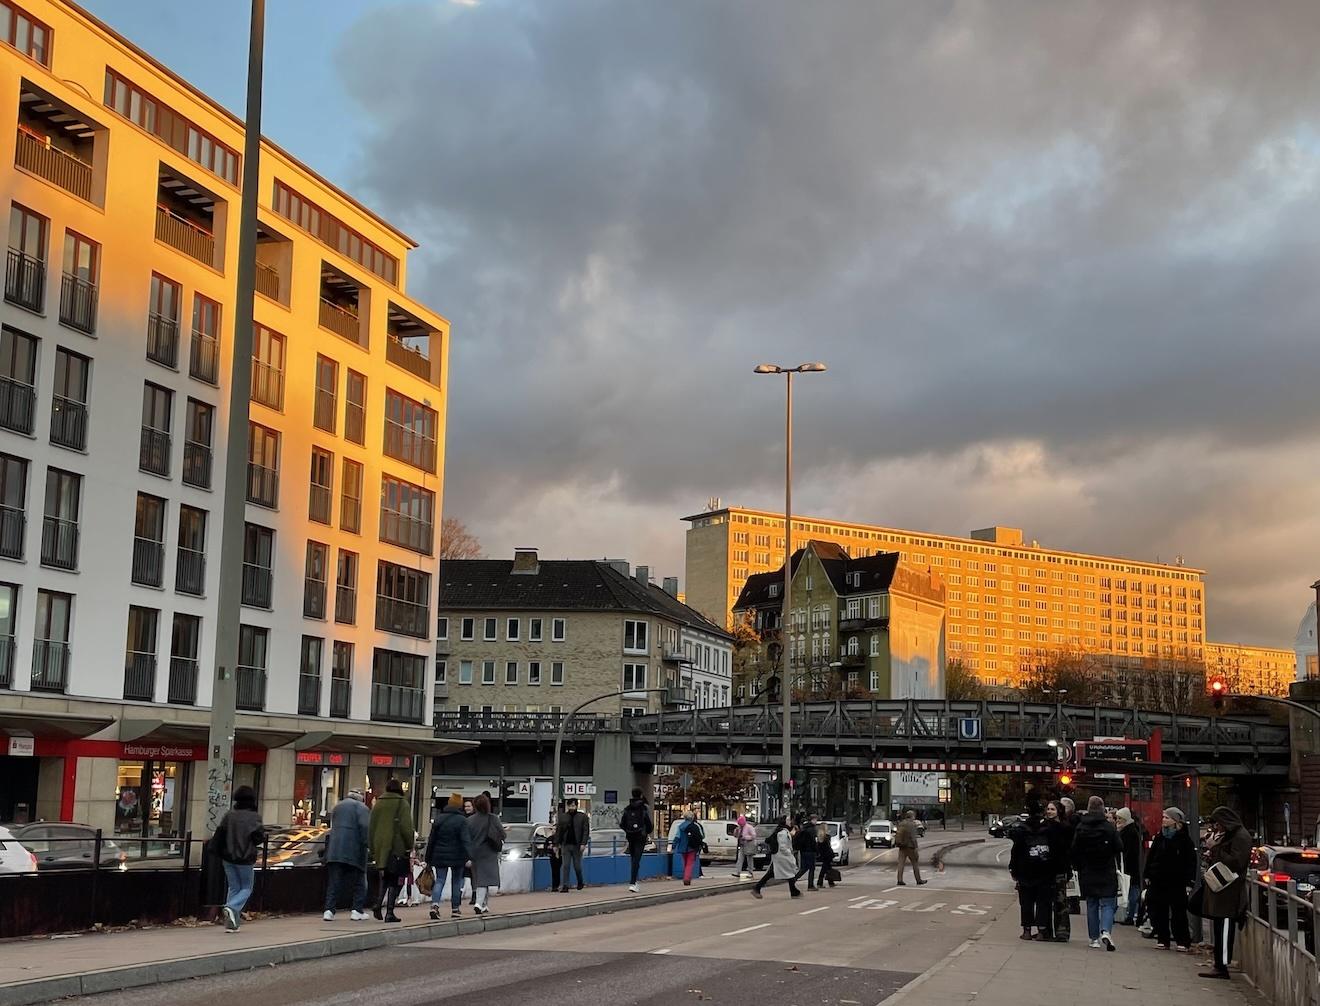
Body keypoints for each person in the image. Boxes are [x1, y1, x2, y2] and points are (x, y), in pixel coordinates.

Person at [1199, 805, 1251, 980]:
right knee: (1220, 928)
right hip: (1223, 890)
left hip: (1230, 892)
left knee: (1225, 929)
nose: (1217, 827)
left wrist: (1215, 848)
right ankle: (1219, 964)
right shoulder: (1231, 835)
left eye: (1218, 823)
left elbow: (1236, 862)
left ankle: (1222, 966)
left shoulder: (1241, 837)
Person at [1071, 795, 1122, 951]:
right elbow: (1119, 847)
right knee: (1108, 903)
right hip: (1106, 870)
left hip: (1088, 870)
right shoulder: (1109, 828)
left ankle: (1093, 939)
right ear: (1102, 808)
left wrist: (1078, 866)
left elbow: (1074, 849)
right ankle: (1106, 930)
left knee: (1092, 904)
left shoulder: (1081, 827)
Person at [210, 785, 264, 933]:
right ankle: (231, 907)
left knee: (233, 887)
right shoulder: (254, 817)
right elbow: (258, 839)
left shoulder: (229, 816)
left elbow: (220, 835)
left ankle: (232, 922)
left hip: (228, 857)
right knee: (247, 888)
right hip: (245, 858)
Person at [1144, 806, 1196, 951]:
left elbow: (1190, 862)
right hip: (1158, 879)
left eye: (1167, 817)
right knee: (1159, 910)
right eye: (1164, 817)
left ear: (1175, 821)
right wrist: (1147, 874)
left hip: (1177, 881)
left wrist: (1189, 882)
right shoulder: (1160, 837)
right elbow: (1151, 856)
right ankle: (1162, 938)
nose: (1163, 820)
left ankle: (1182, 940)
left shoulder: (1184, 840)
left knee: (1178, 912)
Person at [368, 777, 414, 923]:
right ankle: (389, 912)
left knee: (385, 878)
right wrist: (410, 845)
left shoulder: (378, 803)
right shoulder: (402, 803)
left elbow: (371, 828)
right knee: (394, 880)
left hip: (381, 848)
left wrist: (373, 848)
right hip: (396, 847)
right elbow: (406, 828)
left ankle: (378, 904)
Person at [1009, 801, 1056, 940]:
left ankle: (1027, 930)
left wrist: (1013, 869)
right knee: (1043, 902)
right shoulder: (1049, 829)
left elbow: (1015, 851)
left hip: (1025, 871)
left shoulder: (1022, 829)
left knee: (1026, 902)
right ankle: (1042, 931)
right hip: (1044, 870)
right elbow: (1055, 850)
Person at [322, 788, 370, 922]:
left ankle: (329, 910)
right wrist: (368, 845)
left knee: (334, 882)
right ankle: (357, 910)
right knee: (359, 881)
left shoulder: (338, 806)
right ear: (361, 797)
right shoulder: (362, 808)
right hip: (354, 850)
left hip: (335, 849)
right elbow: (365, 828)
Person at [424, 792, 472, 919]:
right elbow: (465, 840)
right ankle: (455, 909)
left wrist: (428, 858)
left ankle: (434, 905)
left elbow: (432, 840)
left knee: (440, 880)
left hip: (439, 855)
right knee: (456, 882)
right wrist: (469, 856)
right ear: (460, 805)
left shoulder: (439, 819)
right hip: (457, 856)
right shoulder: (462, 820)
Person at [465, 792, 505, 915]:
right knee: (484, 880)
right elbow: (503, 834)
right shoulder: (493, 818)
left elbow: (466, 838)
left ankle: (484, 904)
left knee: (480, 878)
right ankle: (478, 903)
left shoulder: (469, 820)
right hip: (490, 852)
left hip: (475, 853)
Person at [751, 816, 801, 898]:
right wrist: (789, 853)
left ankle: (794, 891)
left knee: (782, 872)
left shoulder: (782, 831)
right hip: (782, 856)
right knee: (789, 872)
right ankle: (794, 892)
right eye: (788, 820)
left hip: (779, 856)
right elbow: (783, 846)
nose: (790, 822)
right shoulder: (782, 832)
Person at [1049, 799, 1075, 942]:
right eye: (1048, 809)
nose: (1049, 812)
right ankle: (1046, 930)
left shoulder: (1065, 828)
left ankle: (1062, 932)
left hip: (1060, 869)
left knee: (1060, 901)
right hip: (1047, 869)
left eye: (1052, 809)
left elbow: (1069, 849)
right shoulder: (1045, 826)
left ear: (1059, 811)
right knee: (1048, 901)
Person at [620, 788, 653, 893]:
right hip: (641, 836)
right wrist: (647, 831)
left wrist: (628, 830)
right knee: (637, 859)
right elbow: (649, 823)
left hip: (631, 835)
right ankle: (633, 882)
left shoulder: (627, 808)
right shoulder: (644, 808)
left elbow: (622, 823)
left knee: (633, 858)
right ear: (641, 795)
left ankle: (634, 881)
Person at [1115, 807, 1142, 925]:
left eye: (1119, 818)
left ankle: (1130, 915)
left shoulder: (1129, 832)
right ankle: (1130, 914)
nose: (1117, 821)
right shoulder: (1128, 830)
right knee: (1130, 890)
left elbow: (1129, 851)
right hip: (1129, 867)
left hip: (1128, 867)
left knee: (1131, 891)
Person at [556, 797, 589, 892]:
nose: (572, 807)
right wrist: (557, 844)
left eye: (573, 806)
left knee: (577, 866)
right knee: (566, 866)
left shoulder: (582, 817)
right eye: (570, 805)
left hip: (577, 845)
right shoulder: (563, 817)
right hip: (565, 844)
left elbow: (585, 831)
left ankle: (580, 881)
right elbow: (559, 831)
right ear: (567, 806)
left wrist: (583, 843)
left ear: (576, 806)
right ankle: (565, 885)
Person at [895, 810, 927, 886]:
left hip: (902, 846)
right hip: (910, 847)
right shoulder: (912, 824)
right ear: (912, 816)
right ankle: (918, 880)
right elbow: (913, 837)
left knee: (901, 864)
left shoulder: (901, 823)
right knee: (915, 863)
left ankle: (899, 880)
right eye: (914, 816)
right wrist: (916, 847)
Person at [672, 810, 704, 886]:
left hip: (682, 847)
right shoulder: (695, 826)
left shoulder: (680, 826)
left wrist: (673, 845)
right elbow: (702, 836)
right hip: (692, 847)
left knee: (685, 863)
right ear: (692, 817)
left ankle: (686, 876)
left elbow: (677, 837)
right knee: (689, 863)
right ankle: (686, 879)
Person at [791, 814, 817, 891]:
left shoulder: (804, 828)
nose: (816, 821)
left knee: (804, 868)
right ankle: (810, 885)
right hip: (810, 851)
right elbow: (813, 842)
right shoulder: (812, 829)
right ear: (812, 820)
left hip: (803, 850)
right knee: (811, 868)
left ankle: (794, 880)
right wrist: (816, 850)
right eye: (815, 820)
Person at [814, 822, 837, 889]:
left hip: (823, 855)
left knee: (828, 868)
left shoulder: (819, 837)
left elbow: (819, 847)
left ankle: (831, 882)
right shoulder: (827, 837)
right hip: (828, 855)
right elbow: (828, 847)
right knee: (824, 869)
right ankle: (820, 883)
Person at [546, 805, 563, 891]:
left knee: (558, 870)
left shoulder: (561, 838)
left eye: (555, 829)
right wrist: (549, 851)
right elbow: (546, 847)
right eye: (553, 829)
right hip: (552, 856)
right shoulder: (549, 838)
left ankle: (558, 885)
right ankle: (554, 886)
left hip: (559, 856)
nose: (553, 831)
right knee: (554, 870)